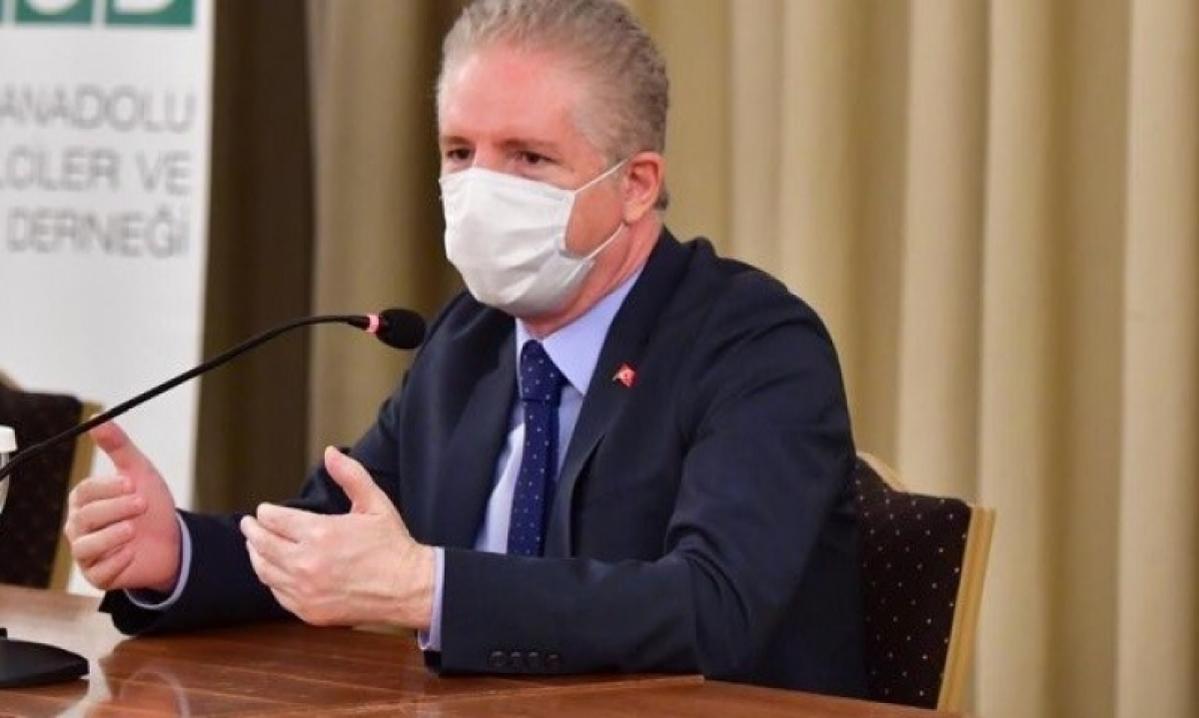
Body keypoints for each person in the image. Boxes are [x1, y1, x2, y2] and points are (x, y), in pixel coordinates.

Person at [63, 0, 866, 696]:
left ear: (636, 185)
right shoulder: (468, 339)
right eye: (459, 153)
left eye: (527, 157)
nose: (481, 190)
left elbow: (713, 608)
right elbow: (331, 545)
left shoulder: (757, 347)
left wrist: (429, 589)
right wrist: (176, 556)